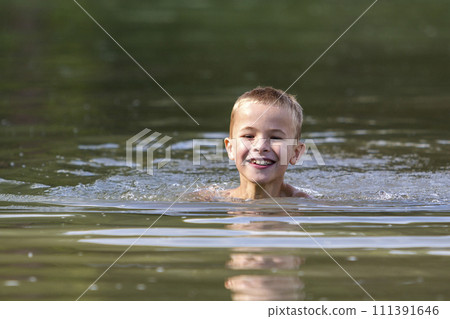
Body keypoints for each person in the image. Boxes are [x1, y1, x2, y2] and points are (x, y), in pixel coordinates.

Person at [220, 86, 309, 200]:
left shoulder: (304, 203)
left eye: (275, 137)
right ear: (230, 148)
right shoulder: (210, 199)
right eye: (249, 136)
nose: (261, 147)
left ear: (295, 153)